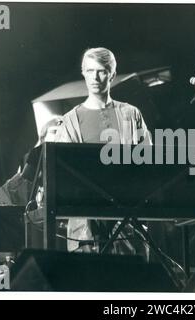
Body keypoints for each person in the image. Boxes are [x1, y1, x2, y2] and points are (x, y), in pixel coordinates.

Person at [54, 47, 152, 254]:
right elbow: (64, 174)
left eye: (101, 71)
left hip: (126, 218)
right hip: (86, 226)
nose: (95, 77)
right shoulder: (71, 121)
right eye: (90, 71)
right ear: (83, 73)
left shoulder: (130, 114)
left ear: (112, 74)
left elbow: (148, 162)